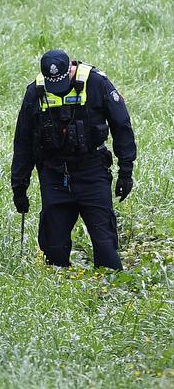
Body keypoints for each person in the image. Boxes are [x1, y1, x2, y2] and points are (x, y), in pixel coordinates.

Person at [11, 49, 137, 270]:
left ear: (70, 68)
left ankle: (109, 292)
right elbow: (23, 141)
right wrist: (19, 185)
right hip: (54, 175)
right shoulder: (35, 92)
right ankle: (60, 292)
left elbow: (122, 126)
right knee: (54, 250)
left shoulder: (97, 83)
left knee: (105, 245)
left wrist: (126, 171)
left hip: (92, 171)